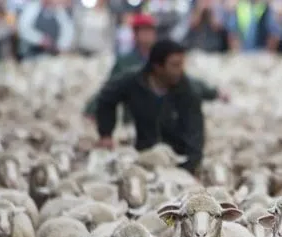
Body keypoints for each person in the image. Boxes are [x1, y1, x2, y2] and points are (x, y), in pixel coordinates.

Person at [94, 39, 204, 175]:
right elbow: (106, 98)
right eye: (175, 65)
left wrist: (188, 169)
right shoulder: (134, 82)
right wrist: (106, 133)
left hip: (176, 159)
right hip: (142, 155)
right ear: (158, 66)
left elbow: (195, 134)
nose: (180, 71)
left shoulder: (188, 92)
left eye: (181, 65)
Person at [85, 15, 225, 119]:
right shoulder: (125, 62)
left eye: (150, 31)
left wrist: (214, 93)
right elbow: (110, 87)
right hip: (135, 118)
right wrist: (92, 109)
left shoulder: (162, 59)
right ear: (135, 34)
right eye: (143, 31)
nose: (147, 36)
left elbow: (186, 80)